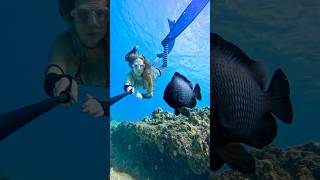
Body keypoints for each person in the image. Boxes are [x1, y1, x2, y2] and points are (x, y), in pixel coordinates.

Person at [44, 0, 109, 117]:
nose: (92, 23)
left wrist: (105, 107)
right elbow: (52, 73)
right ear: (71, 17)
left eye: (100, 14)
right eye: (83, 14)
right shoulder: (64, 43)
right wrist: (58, 82)